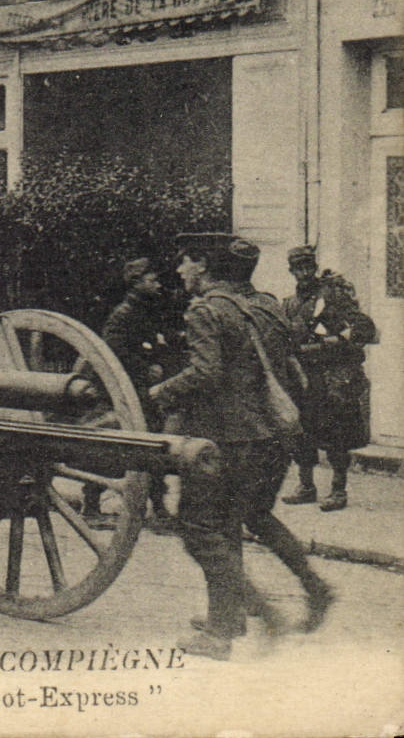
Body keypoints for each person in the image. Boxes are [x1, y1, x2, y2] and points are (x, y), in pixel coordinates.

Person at [148, 233, 333, 660]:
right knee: (248, 516)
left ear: (204, 266)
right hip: (274, 437)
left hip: (226, 438)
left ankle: (233, 629)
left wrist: (161, 392)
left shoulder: (206, 310)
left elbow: (205, 374)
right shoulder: (267, 304)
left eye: (186, 262)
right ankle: (313, 589)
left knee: (199, 530)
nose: (179, 271)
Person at [280, 245, 377, 512]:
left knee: (337, 435)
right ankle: (306, 486)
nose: (304, 273)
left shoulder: (332, 296)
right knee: (302, 433)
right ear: (291, 271)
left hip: (331, 377)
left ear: (314, 267)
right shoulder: (289, 304)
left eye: (308, 267)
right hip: (303, 378)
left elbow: (365, 328)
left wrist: (332, 343)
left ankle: (338, 490)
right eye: (299, 268)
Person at [90, 258, 179, 526]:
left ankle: (158, 507)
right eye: (152, 280)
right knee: (115, 447)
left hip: (142, 391)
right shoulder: (124, 313)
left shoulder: (145, 310)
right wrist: (145, 369)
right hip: (127, 390)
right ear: (137, 283)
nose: (158, 284)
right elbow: (114, 351)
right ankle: (91, 502)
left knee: (152, 444)